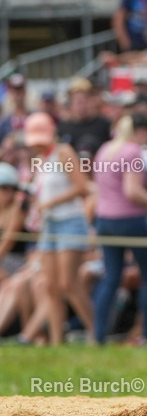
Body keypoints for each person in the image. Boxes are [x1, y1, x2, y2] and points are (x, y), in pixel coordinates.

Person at [26, 112, 95, 344]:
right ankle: (57, 341)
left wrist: (51, 202)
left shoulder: (63, 152)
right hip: (49, 225)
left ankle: (95, 334)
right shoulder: (41, 160)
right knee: (52, 287)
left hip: (70, 221)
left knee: (69, 284)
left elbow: (82, 187)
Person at [91, 116, 147, 344]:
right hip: (131, 219)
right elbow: (132, 191)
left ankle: (98, 336)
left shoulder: (104, 150)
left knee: (110, 277)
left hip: (104, 220)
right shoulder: (133, 151)